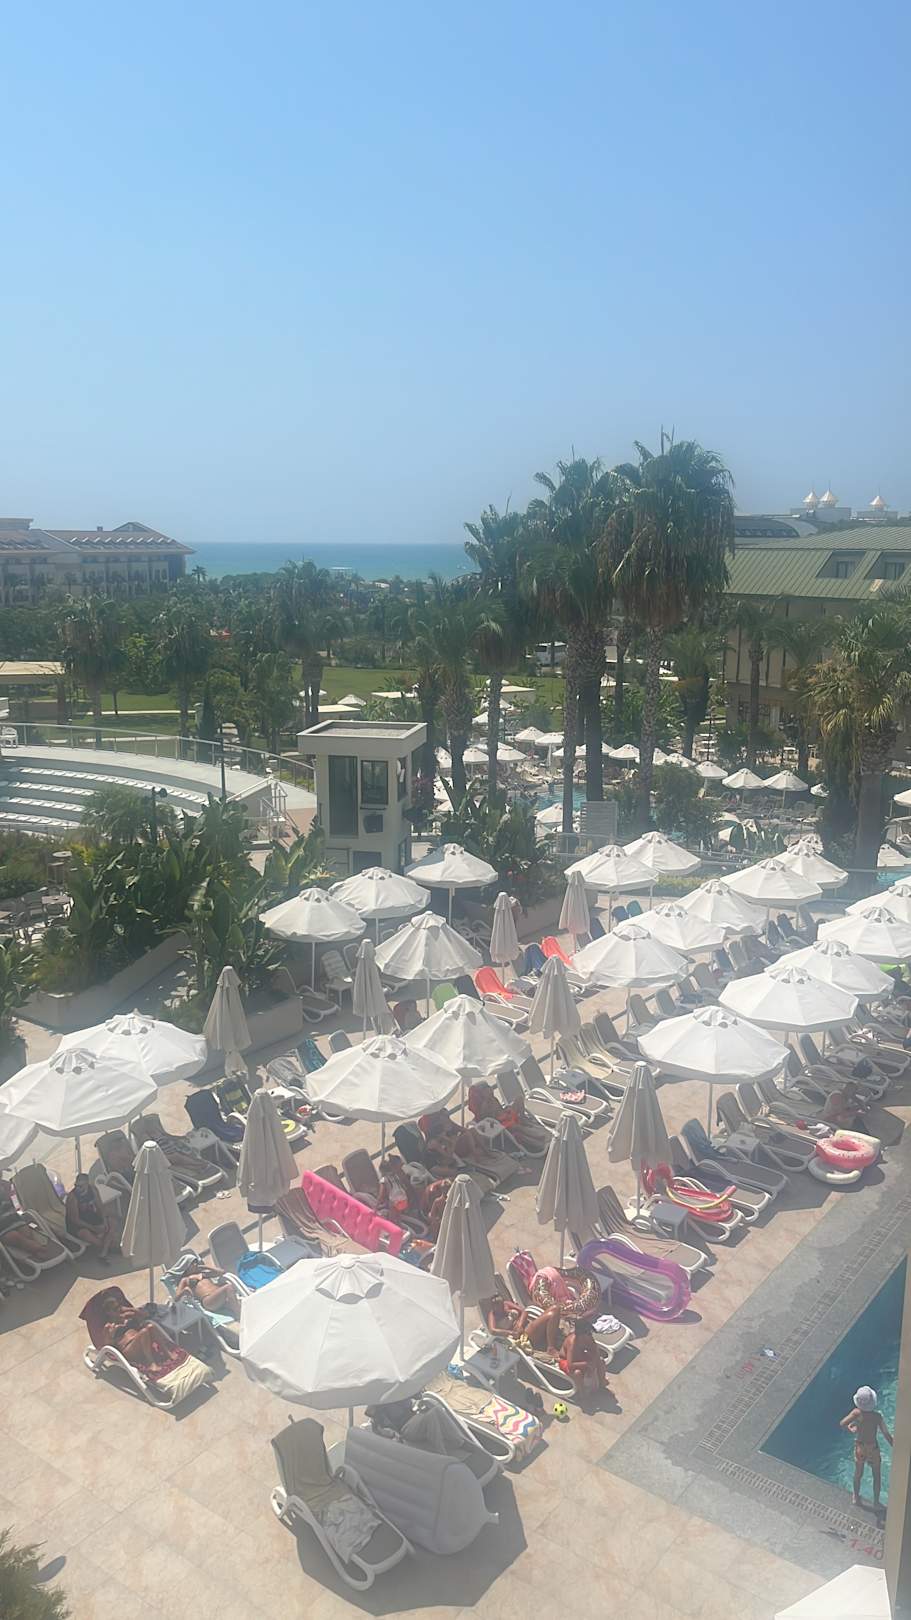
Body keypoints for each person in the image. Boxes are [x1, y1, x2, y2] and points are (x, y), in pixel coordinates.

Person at [98, 1291, 182, 1378]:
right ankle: (151, 1363)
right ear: (108, 1312)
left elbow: (145, 1315)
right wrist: (111, 1335)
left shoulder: (127, 1316)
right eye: (115, 1309)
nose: (119, 1309)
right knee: (144, 1332)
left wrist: (131, 1309)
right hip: (129, 1350)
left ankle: (167, 1352)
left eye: (119, 1306)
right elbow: (107, 1347)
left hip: (142, 1342)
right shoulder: (109, 1326)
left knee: (151, 1326)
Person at [840, 1385, 893, 1507]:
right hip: (872, 1448)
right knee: (876, 1476)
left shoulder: (856, 1413)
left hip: (860, 1447)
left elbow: (842, 1423)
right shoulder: (877, 1417)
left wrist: (850, 1428)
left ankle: (856, 1497)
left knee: (858, 1473)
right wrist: (895, 1446)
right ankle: (876, 1502)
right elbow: (886, 1434)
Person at [467, 1081, 549, 1155]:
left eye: (490, 1089)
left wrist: (507, 1110)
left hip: (505, 1115)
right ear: (484, 1093)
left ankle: (523, 1118)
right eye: (487, 1090)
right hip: (500, 1122)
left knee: (519, 1098)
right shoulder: (485, 1105)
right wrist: (490, 1104)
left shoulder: (494, 1099)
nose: (491, 1090)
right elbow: (488, 1119)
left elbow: (500, 1109)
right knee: (517, 1127)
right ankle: (539, 1137)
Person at [0, 1177, 61, 1265]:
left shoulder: (3, 1185)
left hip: (14, 1219)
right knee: (14, 1236)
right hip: (2, 1228)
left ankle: (35, 1250)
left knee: (26, 1232)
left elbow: (8, 1189)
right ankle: (40, 1249)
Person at [482, 1293, 564, 1356]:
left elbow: (524, 1311)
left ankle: (550, 1341)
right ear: (493, 1307)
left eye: (501, 1305)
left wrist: (520, 1324)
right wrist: (511, 1333)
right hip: (524, 1335)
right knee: (552, 1314)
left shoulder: (506, 1304)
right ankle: (550, 1348)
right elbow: (492, 1330)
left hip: (526, 1325)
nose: (501, 1309)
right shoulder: (492, 1315)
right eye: (497, 1306)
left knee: (555, 1308)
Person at [65, 1174, 118, 1259]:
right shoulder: (72, 1197)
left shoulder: (93, 1190)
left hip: (91, 1216)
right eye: (76, 1185)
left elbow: (100, 1207)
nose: (78, 1188)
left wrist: (104, 1221)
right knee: (85, 1234)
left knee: (112, 1222)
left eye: (81, 1186)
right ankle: (107, 1246)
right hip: (79, 1223)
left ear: (87, 1184)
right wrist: (93, 1228)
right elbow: (75, 1219)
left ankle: (105, 1249)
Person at [558, 1318, 611, 1396]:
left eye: (590, 1333)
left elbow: (596, 1353)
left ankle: (602, 1383)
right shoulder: (572, 1343)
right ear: (580, 1333)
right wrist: (587, 1364)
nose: (590, 1335)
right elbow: (570, 1365)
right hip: (566, 1360)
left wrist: (594, 1362)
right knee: (577, 1373)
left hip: (581, 1356)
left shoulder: (588, 1338)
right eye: (587, 1333)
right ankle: (582, 1392)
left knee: (601, 1361)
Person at [175, 1260, 241, 1319]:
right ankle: (239, 1315)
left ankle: (239, 1313)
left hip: (220, 1297)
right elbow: (176, 1298)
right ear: (187, 1266)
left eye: (196, 1262)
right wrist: (184, 1290)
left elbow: (222, 1272)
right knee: (228, 1287)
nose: (195, 1264)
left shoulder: (203, 1274)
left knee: (238, 1304)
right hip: (209, 1300)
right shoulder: (185, 1280)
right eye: (192, 1263)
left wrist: (205, 1267)